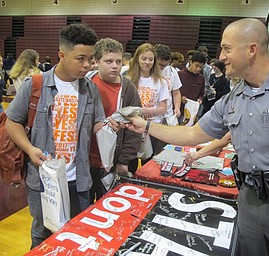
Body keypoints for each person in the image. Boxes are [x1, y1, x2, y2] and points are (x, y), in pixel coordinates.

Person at [124, 18, 269, 256]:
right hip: (249, 199)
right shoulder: (234, 97)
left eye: (227, 48)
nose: (222, 55)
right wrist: (145, 126)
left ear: (251, 49)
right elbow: (193, 133)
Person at [5, 23, 115, 249]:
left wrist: (110, 126)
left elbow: (96, 124)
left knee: (76, 231)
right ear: (62, 55)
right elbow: (12, 122)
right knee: (42, 231)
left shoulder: (90, 89)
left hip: (80, 178)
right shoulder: (35, 85)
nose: (87, 65)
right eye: (80, 58)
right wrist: (29, 149)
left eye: (91, 58)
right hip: (44, 179)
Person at [86, 38, 141, 203]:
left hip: (112, 161)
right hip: (86, 160)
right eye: (109, 61)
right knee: (83, 211)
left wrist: (124, 160)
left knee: (109, 206)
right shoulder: (85, 84)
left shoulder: (128, 88)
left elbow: (135, 127)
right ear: (96, 61)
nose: (115, 66)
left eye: (118, 61)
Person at [126, 43, 170, 156]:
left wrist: (144, 111)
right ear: (137, 59)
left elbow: (163, 108)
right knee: (130, 158)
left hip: (152, 127)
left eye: (150, 59)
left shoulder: (161, 81)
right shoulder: (128, 79)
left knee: (149, 158)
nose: (147, 62)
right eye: (144, 59)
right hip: (132, 127)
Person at [155, 44, 182, 121]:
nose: (162, 67)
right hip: (153, 115)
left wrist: (177, 107)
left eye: (165, 65)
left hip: (168, 114)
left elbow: (176, 92)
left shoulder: (172, 71)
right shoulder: (148, 71)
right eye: (159, 64)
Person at [178, 51, 206, 124]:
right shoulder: (180, 74)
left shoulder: (201, 78)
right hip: (179, 111)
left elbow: (201, 94)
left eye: (201, 67)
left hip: (192, 112)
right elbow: (173, 92)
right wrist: (180, 98)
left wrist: (200, 99)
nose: (198, 69)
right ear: (191, 62)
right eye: (196, 66)